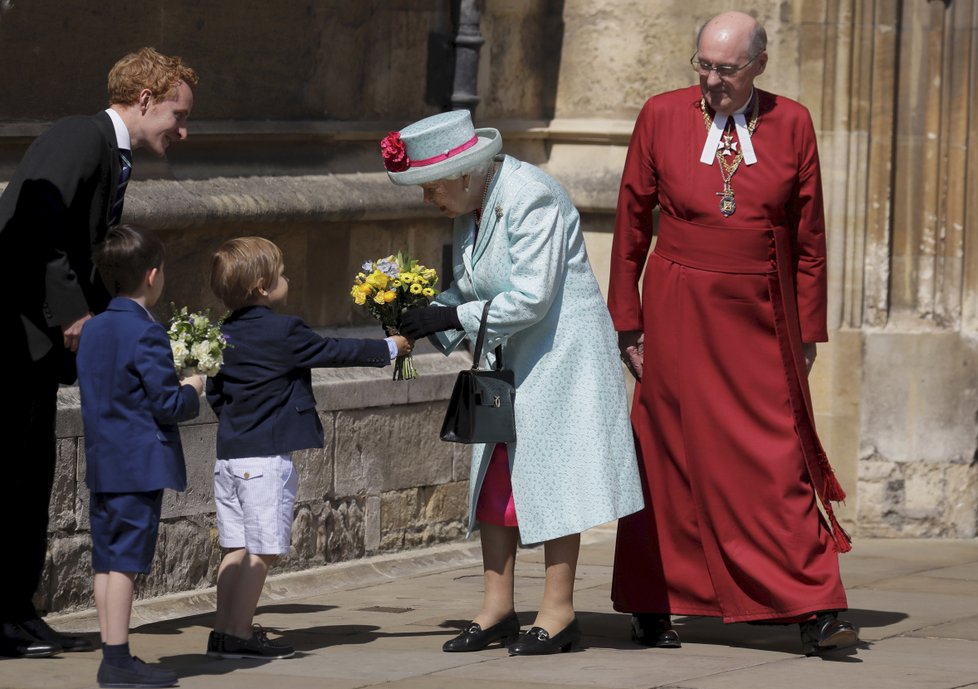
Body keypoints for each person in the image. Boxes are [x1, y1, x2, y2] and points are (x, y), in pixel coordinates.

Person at [607, 11, 859, 656]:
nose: (711, 80)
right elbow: (632, 219)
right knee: (664, 452)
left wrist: (805, 331)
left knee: (775, 455)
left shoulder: (793, 122)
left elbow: (810, 239)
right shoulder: (661, 114)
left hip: (758, 314)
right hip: (674, 307)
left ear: (759, 66)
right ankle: (652, 600)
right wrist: (626, 320)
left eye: (726, 69)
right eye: (703, 66)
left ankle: (814, 604)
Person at [381, 109, 644, 655]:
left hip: (559, 359)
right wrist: (423, 312)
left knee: (553, 482)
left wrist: (451, 319)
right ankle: (498, 608)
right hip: (510, 360)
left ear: (463, 172)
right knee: (497, 483)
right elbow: (472, 286)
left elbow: (531, 295)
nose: (428, 198)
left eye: (431, 187)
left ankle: (559, 611)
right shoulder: (474, 204)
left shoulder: (532, 195)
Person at [0, 47, 198, 659]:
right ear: (144, 99)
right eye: (177, 113)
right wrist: (74, 314)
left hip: (37, 351)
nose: (183, 130)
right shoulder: (78, 136)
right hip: (15, 339)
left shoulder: (109, 154)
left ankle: (16, 610)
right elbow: (35, 223)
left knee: (32, 478)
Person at [204, 236, 411, 659]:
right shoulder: (285, 330)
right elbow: (332, 350)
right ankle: (240, 633)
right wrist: (391, 348)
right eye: (280, 274)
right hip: (265, 459)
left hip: (229, 457)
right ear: (262, 287)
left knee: (234, 547)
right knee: (262, 551)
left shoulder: (220, 334)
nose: (288, 279)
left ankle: (222, 630)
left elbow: (216, 392)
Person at [77, 224, 205, 688]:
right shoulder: (145, 332)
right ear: (153, 276)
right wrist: (191, 388)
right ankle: (116, 659)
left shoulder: (93, 328)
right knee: (126, 561)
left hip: (105, 462)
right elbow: (166, 405)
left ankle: (114, 653)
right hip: (137, 464)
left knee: (106, 559)